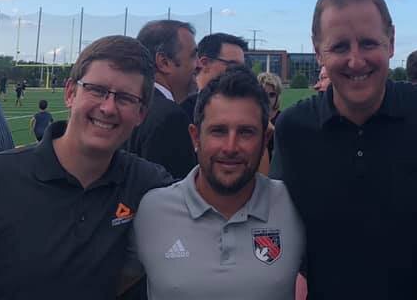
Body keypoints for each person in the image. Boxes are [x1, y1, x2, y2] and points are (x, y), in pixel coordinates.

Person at [271, 0, 417, 300]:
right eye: (340, 46)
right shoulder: (294, 130)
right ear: (318, 52)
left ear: (391, 41)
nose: (356, 60)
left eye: (368, 43)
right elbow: (280, 236)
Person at [0, 35, 171, 300]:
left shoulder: (149, 183)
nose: (108, 108)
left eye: (124, 98)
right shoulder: (3, 177)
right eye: (97, 90)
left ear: (141, 114)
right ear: (70, 93)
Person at [126, 66, 305, 300]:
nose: (230, 147)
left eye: (246, 132)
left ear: (265, 139)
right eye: (218, 131)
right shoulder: (152, 209)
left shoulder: (294, 205)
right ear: (195, 137)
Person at [127, 19, 199, 181]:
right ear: (164, 62)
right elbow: (176, 196)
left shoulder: (129, 106)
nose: (199, 64)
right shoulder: (170, 116)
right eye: (193, 55)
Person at [180, 32, 247, 123]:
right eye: (233, 65)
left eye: (242, 68)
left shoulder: (246, 107)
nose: (239, 72)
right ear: (204, 63)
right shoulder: (183, 110)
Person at [258, 71, 282, 159]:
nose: (267, 99)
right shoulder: (250, 120)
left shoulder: (283, 120)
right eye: (263, 94)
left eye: (272, 95)